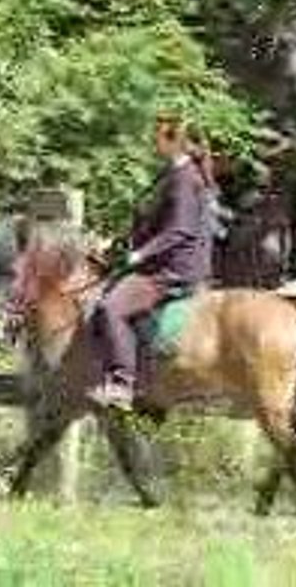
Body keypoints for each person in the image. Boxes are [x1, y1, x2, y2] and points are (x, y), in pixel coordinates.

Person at [87, 112, 214, 411]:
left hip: (172, 269)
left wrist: (140, 254)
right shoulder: (171, 172)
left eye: (157, 135)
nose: (152, 141)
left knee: (111, 307)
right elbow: (149, 220)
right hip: (160, 261)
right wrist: (114, 242)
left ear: (174, 142)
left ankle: (121, 383)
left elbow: (179, 230)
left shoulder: (184, 179)